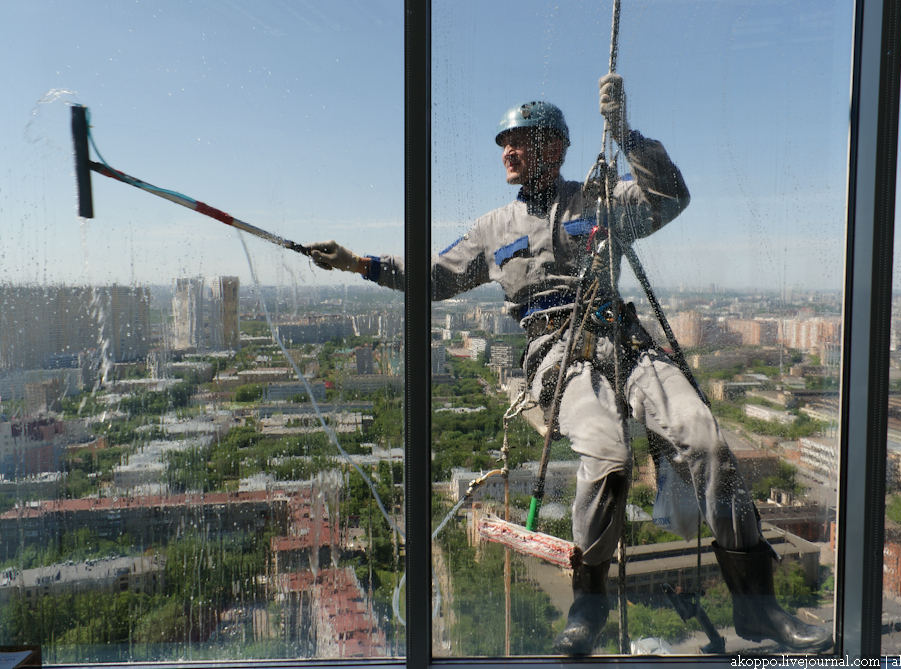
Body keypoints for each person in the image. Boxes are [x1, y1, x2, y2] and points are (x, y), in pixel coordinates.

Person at [304, 75, 832, 656]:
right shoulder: (493, 230)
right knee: (606, 456)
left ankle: (757, 608)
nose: (507, 150)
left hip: (625, 340)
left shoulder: (600, 201)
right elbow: (436, 277)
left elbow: (670, 197)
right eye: (504, 141)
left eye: (520, 140)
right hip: (558, 351)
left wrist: (626, 135)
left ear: (552, 148)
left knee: (705, 440)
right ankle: (588, 603)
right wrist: (361, 263)